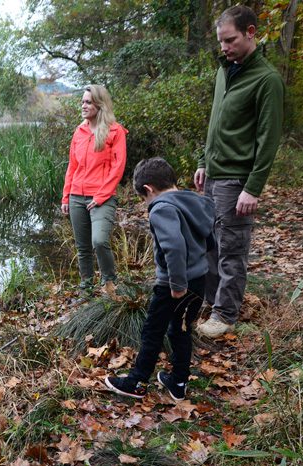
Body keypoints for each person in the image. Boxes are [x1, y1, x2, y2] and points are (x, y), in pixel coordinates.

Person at [194, 4, 284, 338]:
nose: (224, 48)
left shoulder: (267, 80)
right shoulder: (224, 70)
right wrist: (204, 162)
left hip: (237, 180)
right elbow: (214, 123)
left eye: (230, 40)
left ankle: (225, 315)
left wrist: (253, 187)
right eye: (220, 42)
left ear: (250, 32)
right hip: (214, 174)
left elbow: (268, 139)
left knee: (232, 247)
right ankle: (210, 300)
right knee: (210, 243)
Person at [104, 158, 215, 401]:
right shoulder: (195, 201)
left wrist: (176, 284)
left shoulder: (162, 208)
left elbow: (174, 247)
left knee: (153, 330)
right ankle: (178, 381)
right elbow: (209, 234)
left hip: (173, 285)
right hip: (198, 279)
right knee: (181, 329)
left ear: (148, 189)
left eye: (144, 199)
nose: (146, 204)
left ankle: (136, 382)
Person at [60, 84, 128, 296]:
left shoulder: (115, 131)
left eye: (88, 102)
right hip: (77, 197)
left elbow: (118, 167)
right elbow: (72, 166)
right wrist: (66, 196)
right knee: (82, 248)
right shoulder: (79, 132)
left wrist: (101, 196)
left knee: (99, 241)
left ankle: (109, 283)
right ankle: (86, 288)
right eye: (82, 101)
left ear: (100, 105)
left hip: (103, 197)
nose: (83, 105)